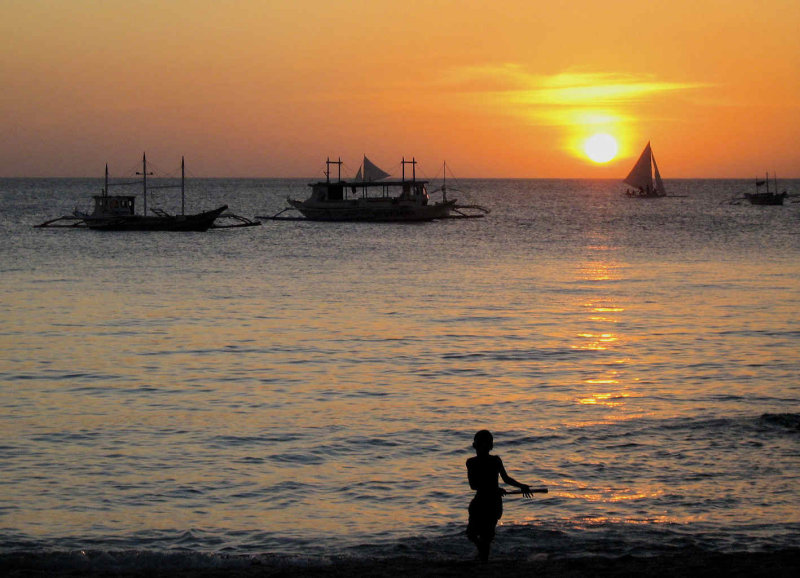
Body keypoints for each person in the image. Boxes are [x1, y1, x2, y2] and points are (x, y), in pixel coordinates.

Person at [466, 429, 531, 561]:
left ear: (489, 446)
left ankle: (483, 558)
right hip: (480, 502)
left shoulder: (495, 460)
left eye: (485, 444)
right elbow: (473, 485)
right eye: (481, 444)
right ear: (476, 446)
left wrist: (521, 486)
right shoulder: (471, 462)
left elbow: (506, 479)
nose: (483, 448)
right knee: (471, 533)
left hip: (493, 503)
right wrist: (494, 489)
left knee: (487, 536)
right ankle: (482, 553)